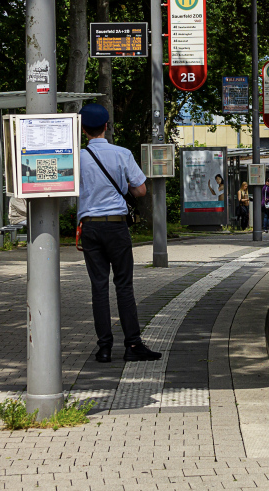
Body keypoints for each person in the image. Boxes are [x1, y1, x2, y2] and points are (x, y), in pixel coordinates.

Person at [77, 103, 161, 364]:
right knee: (123, 285)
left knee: (98, 288)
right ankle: (133, 345)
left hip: (89, 226)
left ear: (82, 130)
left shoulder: (76, 157)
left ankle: (104, 348)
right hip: (116, 226)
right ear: (106, 126)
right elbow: (140, 190)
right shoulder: (122, 154)